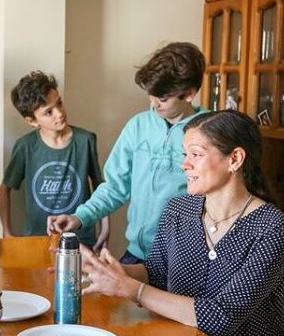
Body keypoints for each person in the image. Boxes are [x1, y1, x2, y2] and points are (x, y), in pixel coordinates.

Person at [80, 110, 284, 336]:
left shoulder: (271, 228)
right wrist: (106, 271)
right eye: (185, 154)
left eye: (195, 154)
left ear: (235, 159)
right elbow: (156, 272)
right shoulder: (178, 210)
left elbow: (222, 316)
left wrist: (131, 290)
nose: (184, 164)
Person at [48, 42, 207, 263]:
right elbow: (114, 186)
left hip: (186, 258)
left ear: (189, 93)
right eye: (151, 95)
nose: (154, 104)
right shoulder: (137, 126)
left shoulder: (210, 131)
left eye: (162, 99)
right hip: (137, 253)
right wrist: (80, 217)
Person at [0, 71, 109, 250]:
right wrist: (7, 231)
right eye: (48, 112)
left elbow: (100, 187)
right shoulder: (25, 146)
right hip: (37, 240)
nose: (59, 113)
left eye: (59, 103)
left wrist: (105, 229)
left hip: (81, 238)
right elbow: (4, 190)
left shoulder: (85, 140)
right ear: (32, 121)